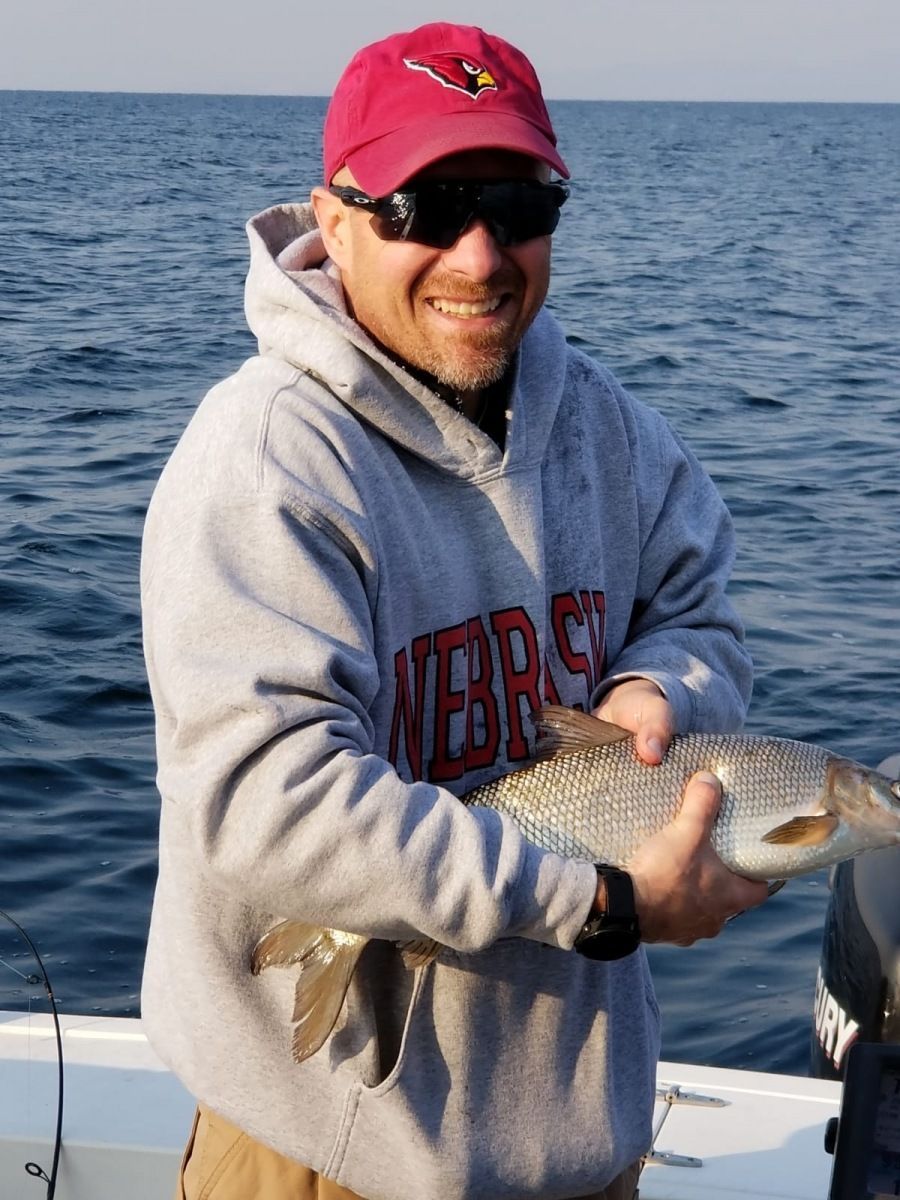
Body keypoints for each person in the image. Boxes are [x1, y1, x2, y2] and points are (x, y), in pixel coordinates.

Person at [140, 21, 768, 1200]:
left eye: (519, 204)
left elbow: (699, 616)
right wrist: (599, 903)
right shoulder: (267, 458)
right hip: (331, 1153)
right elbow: (269, 808)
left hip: (582, 1147)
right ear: (332, 220)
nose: (480, 255)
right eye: (424, 207)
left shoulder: (612, 430)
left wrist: (659, 692)